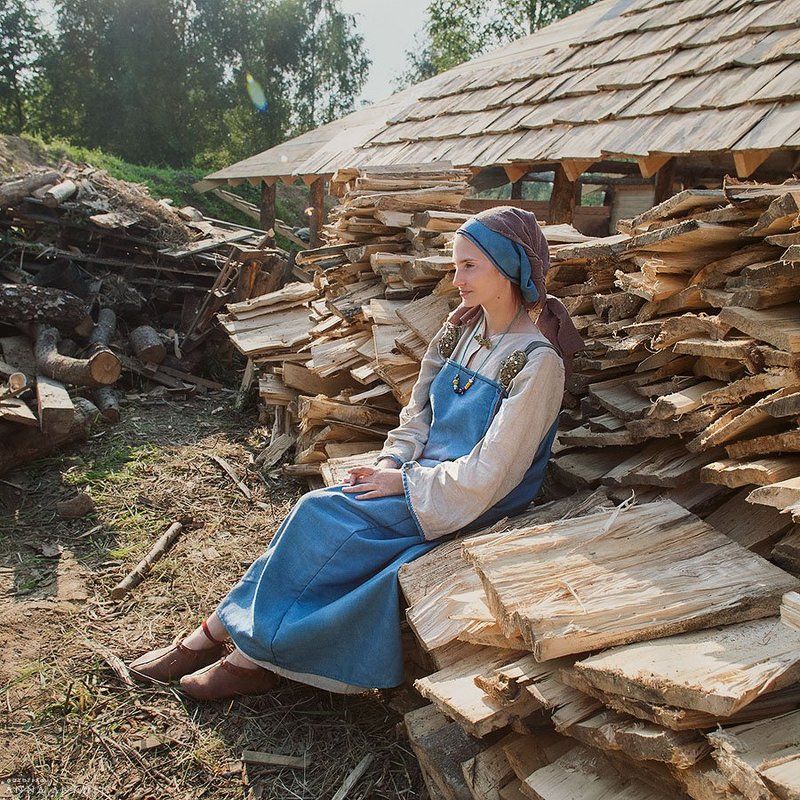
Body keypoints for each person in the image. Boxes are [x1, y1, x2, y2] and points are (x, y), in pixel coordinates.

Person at [128, 206, 583, 701]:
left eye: (469, 266)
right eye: (455, 265)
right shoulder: (464, 331)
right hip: (420, 478)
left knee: (318, 512)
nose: (456, 279)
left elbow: (494, 472)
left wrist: (404, 484)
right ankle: (217, 634)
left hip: (470, 499)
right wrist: (392, 462)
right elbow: (419, 415)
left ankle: (243, 652)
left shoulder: (537, 364)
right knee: (323, 513)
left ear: (509, 266)